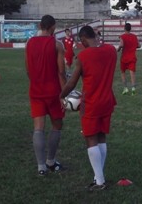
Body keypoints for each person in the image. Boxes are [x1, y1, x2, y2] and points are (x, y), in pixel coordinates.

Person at [60, 25, 117, 191]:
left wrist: (61, 95)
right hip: (107, 100)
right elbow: (102, 45)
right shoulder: (111, 50)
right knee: (101, 137)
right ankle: (98, 176)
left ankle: (99, 181)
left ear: (83, 39)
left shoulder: (83, 56)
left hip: (91, 102)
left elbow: (72, 83)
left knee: (90, 139)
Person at [25, 15, 67, 176]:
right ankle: (50, 161)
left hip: (36, 90)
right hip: (54, 92)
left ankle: (41, 167)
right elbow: (61, 72)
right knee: (57, 125)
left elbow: (28, 70)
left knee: (38, 128)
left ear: (40, 25)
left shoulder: (29, 43)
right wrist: (64, 94)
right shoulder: (57, 44)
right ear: (53, 27)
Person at [117, 23, 141, 96]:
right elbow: (139, 45)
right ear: (130, 29)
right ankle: (133, 88)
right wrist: (133, 47)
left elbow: (121, 45)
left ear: (124, 28)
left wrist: (118, 49)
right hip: (132, 57)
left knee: (123, 72)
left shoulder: (122, 36)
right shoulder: (134, 36)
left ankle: (125, 88)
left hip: (124, 58)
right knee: (132, 73)